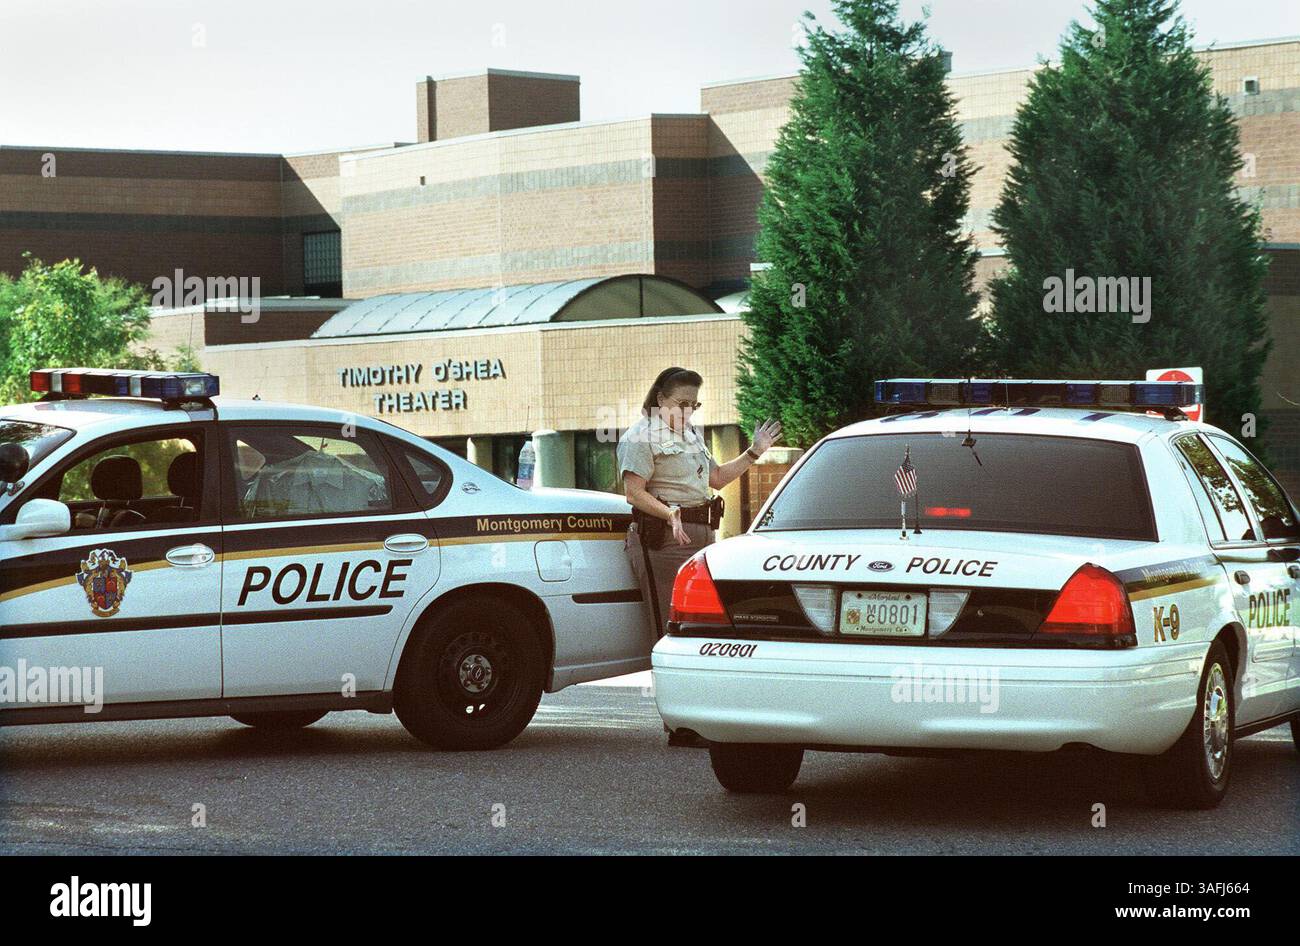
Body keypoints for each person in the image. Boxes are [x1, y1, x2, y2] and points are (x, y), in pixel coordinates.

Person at [617, 367, 782, 642]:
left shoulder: (690, 434)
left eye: (694, 405)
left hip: (701, 533)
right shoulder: (640, 436)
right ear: (660, 399)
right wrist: (669, 514)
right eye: (682, 404)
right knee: (670, 625)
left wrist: (754, 452)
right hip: (666, 537)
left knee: (703, 623)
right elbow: (634, 493)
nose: (689, 411)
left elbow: (716, 478)